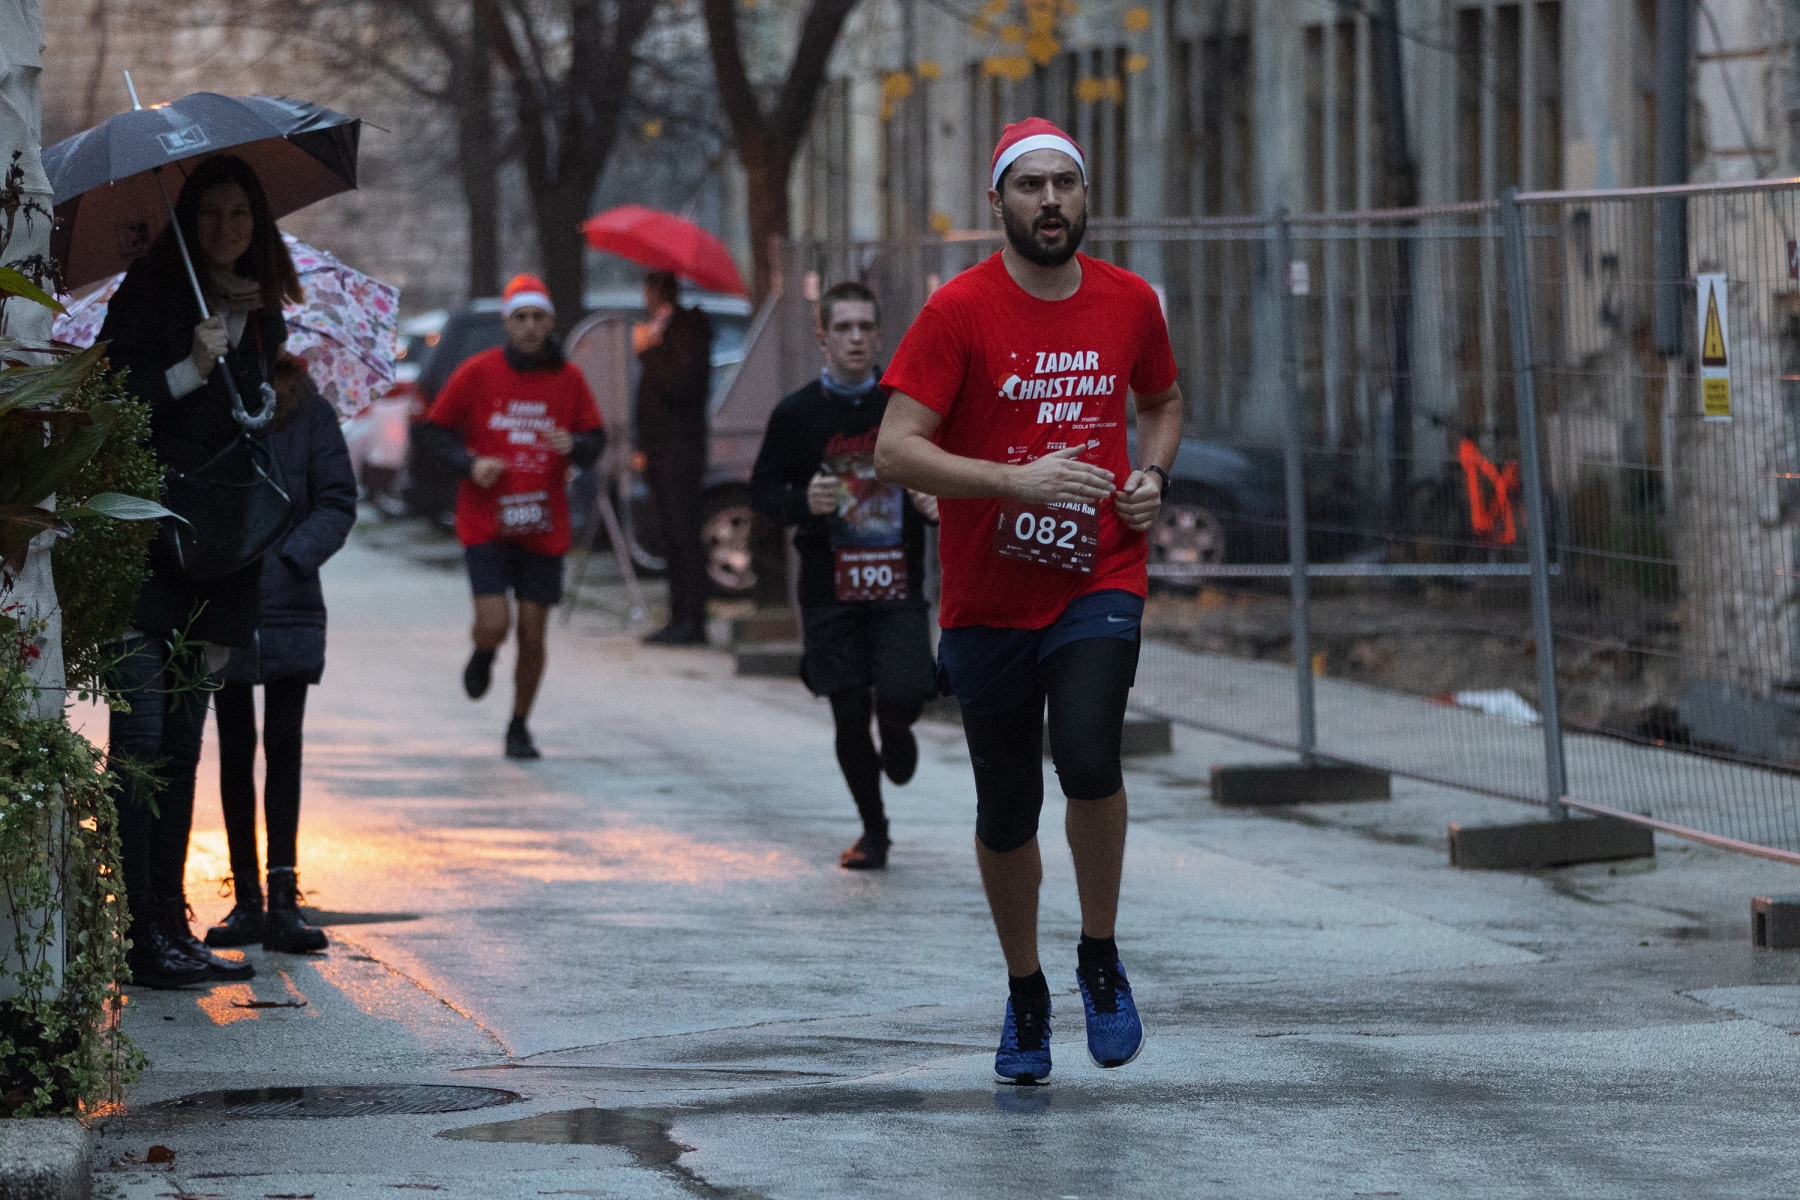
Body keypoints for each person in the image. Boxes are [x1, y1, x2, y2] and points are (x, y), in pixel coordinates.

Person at [874, 118, 1183, 1084]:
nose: (1051, 201)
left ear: (1086, 196)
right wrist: (1015, 481)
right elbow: (894, 449)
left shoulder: (1130, 301)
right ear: (997, 202)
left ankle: (1100, 957)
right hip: (988, 596)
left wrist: (1153, 476)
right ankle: (1026, 991)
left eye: (1065, 184)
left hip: (1099, 573)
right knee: (1007, 808)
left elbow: (1162, 403)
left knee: (1088, 754)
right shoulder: (958, 312)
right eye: (1030, 186)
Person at [100, 154, 306, 988]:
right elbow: (111, 405)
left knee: (184, 748)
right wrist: (185, 369)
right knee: (142, 743)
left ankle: (169, 921)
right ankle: (133, 930)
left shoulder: (260, 317)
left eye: (240, 214)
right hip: (146, 549)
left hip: (217, 563)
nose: (226, 228)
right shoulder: (149, 296)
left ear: (259, 225)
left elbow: (246, 459)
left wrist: (265, 393)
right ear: (188, 220)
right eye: (211, 213)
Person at [750, 282, 938, 870]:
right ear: (822, 337)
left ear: (880, 337)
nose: (854, 338)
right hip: (829, 588)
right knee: (848, 712)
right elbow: (763, 492)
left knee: (906, 690)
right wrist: (802, 501)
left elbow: (946, 473)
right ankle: (874, 830)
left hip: (897, 583)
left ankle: (897, 725)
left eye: (864, 327)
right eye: (842, 328)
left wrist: (937, 500)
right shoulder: (796, 414)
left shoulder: (906, 408)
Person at [206, 359, 356, 954]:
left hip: (290, 602)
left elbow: (337, 499)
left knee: (284, 743)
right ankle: (246, 899)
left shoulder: (310, 413)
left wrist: (293, 556)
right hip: (226, 594)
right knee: (234, 746)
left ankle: (283, 900)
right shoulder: (217, 399)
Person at [425, 274, 605, 759]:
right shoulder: (478, 371)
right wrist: (470, 464)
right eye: (520, 318)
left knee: (532, 630)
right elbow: (434, 432)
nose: (529, 327)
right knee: (494, 623)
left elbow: (595, 439)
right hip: (486, 519)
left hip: (543, 525)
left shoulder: (569, 379)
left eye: (537, 318)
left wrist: (575, 445)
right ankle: (484, 651)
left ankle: (519, 724)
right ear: (507, 323)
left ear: (550, 322)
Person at [633, 269, 714, 645]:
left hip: (680, 449)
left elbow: (680, 386)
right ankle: (677, 615)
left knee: (684, 534)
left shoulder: (688, 329)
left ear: (656, 290)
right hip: (658, 449)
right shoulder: (661, 329)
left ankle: (691, 619)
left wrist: (648, 352)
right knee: (669, 534)